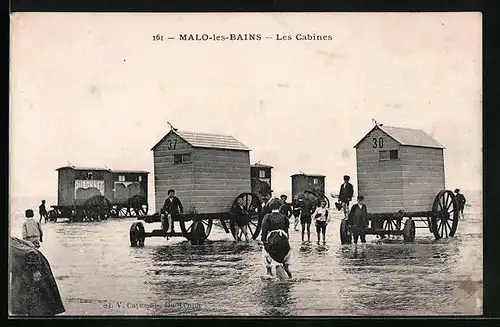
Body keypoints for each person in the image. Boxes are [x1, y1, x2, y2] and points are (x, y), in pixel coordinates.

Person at [10, 236, 65, 316]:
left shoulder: (10, 245)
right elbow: (29, 244)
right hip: (24, 267)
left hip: (34, 265)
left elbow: (32, 253)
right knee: (20, 299)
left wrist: (35, 271)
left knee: (39, 299)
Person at [260, 198, 292, 279]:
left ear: (270, 207)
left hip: (272, 239)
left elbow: (264, 231)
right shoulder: (284, 217)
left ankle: (269, 272)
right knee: (284, 258)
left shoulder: (267, 217)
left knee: (266, 253)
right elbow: (287, 232)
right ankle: (287, 272)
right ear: (280, 207)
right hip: (283, 239)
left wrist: (264, 242)